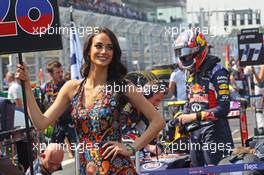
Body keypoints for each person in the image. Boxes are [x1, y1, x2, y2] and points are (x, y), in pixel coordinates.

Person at [16, 27, 165, 174]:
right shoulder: (72, 88)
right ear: (88, 50)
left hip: (117, 169)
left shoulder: (122, 86)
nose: (104, 51)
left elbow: (158, 121)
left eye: (109, 48)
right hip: (87, 169)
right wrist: (27, 87)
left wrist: (131, 147)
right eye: (98, 46)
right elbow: (40, 123)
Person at [172, 30, 234, 167]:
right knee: (195, 170)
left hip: (214, 131)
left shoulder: (217, 71)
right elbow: (191, 102)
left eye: (187, 52)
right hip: (195, 132)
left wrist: (194, 116)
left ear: (198, 50)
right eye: (181, 53)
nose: (184, 57)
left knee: (214, 170)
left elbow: (224, 108)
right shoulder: (190, 73)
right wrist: (182, 116)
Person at [41, 60, 76, 158]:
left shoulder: (68, 85)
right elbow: (41, 105)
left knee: (77, 150)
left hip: (69, 121)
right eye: (57, 72)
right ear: (51, 74)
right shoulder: (45, 87)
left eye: (61, 71)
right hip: (52, 123)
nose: (61, 74)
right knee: (51, 152)